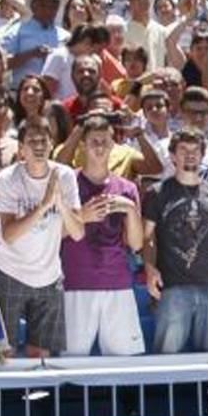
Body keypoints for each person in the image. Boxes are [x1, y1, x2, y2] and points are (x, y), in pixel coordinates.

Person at [142, 129, 208, 353]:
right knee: (167, 357)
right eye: (183, 150)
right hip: (172, 288)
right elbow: (147, 237)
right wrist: (149, 269)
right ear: (172, 156)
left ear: (203, 155)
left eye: (195, 150)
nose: (190, 155)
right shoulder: (157, 193)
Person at [0, 116, 79, 357]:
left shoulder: (65, 175)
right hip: (9, 271)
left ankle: (37, 396)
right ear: (21, 148)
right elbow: (8, 234)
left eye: (43, 140)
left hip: (49, 275)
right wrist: (42, 206)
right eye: (32, 141)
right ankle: (4, 395)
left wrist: (60, 203)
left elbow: (78, 232)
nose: (38, 146)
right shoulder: (7, 178)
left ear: (52, 144)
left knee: (41, 354)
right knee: (3, 352)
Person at [60, 116, 147, 356]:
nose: (99, 147)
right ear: (83, 145)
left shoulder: (127, 188)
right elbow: (51, 235)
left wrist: (130, 209)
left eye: (105, 141)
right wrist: (82, 218)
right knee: (70, 362)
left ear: (113, 145)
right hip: (76, 284)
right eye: (94, 141)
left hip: (117, 284)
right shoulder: (67, 184)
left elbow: (137, 244)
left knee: (123, 362)